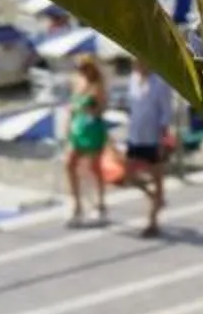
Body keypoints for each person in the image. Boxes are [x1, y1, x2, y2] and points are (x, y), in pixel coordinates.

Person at [120, 55, 179, 237]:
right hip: (135, 136)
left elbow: (166, 113)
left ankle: (152, 221)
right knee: (128, 176)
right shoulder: (133, 79)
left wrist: (163, 139)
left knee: (157, 178)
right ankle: (156, 198)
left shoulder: (160, 82)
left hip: (153, 137)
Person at [63, 56, 112, 227]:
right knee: (69, 163)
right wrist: (67, 127)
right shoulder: (77, 81)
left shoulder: (98, 86)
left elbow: (100, 109)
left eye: (84, 68)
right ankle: (76, 204)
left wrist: (89, 106)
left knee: (94, 167)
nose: (81, 71)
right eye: (79, 68)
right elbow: (71, 107)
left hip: (92, 129)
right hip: (78, 128)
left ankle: (100, 204)